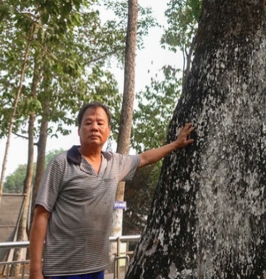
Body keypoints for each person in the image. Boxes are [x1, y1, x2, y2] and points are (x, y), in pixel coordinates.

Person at [29, 101, 194, 279]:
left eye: (100, 123)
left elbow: (145, 158)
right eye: (88, 123)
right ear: (79, 131)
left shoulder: (114, 163)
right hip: (62, 270)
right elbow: (41, 215)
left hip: (96, 268)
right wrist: (35, 271)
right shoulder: (61, 164)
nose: (94, 128)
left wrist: (176, 144)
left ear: (108, 131)